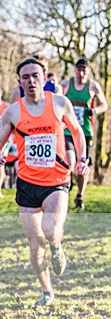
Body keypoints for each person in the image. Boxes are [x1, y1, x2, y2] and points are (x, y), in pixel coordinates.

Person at [0, 56, 88, 306]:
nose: (31, 81)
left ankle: (57, 245)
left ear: (44, 78)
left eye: (36, 76)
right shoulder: (13, 111)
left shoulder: (60, 103)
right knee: (35, 242)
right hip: (27, 183)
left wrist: (82, 159)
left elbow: (77, 132)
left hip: (57, 180)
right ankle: (47, 291)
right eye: (26, 77)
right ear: (20, 82)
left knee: (50, 231)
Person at [60, 57, 108, 210]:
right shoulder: (66, 84)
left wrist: (94, 110)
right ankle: (66, 189)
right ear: (75, 70)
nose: (81, 73)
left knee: (83, 165)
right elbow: (55, 98)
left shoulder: (93, 86)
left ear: (88, 71)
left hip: (85, 132)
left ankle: (80, 195)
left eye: (84, 70)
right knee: (70, 161)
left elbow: (104, 105)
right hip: (67, 130)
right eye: (79, 69)